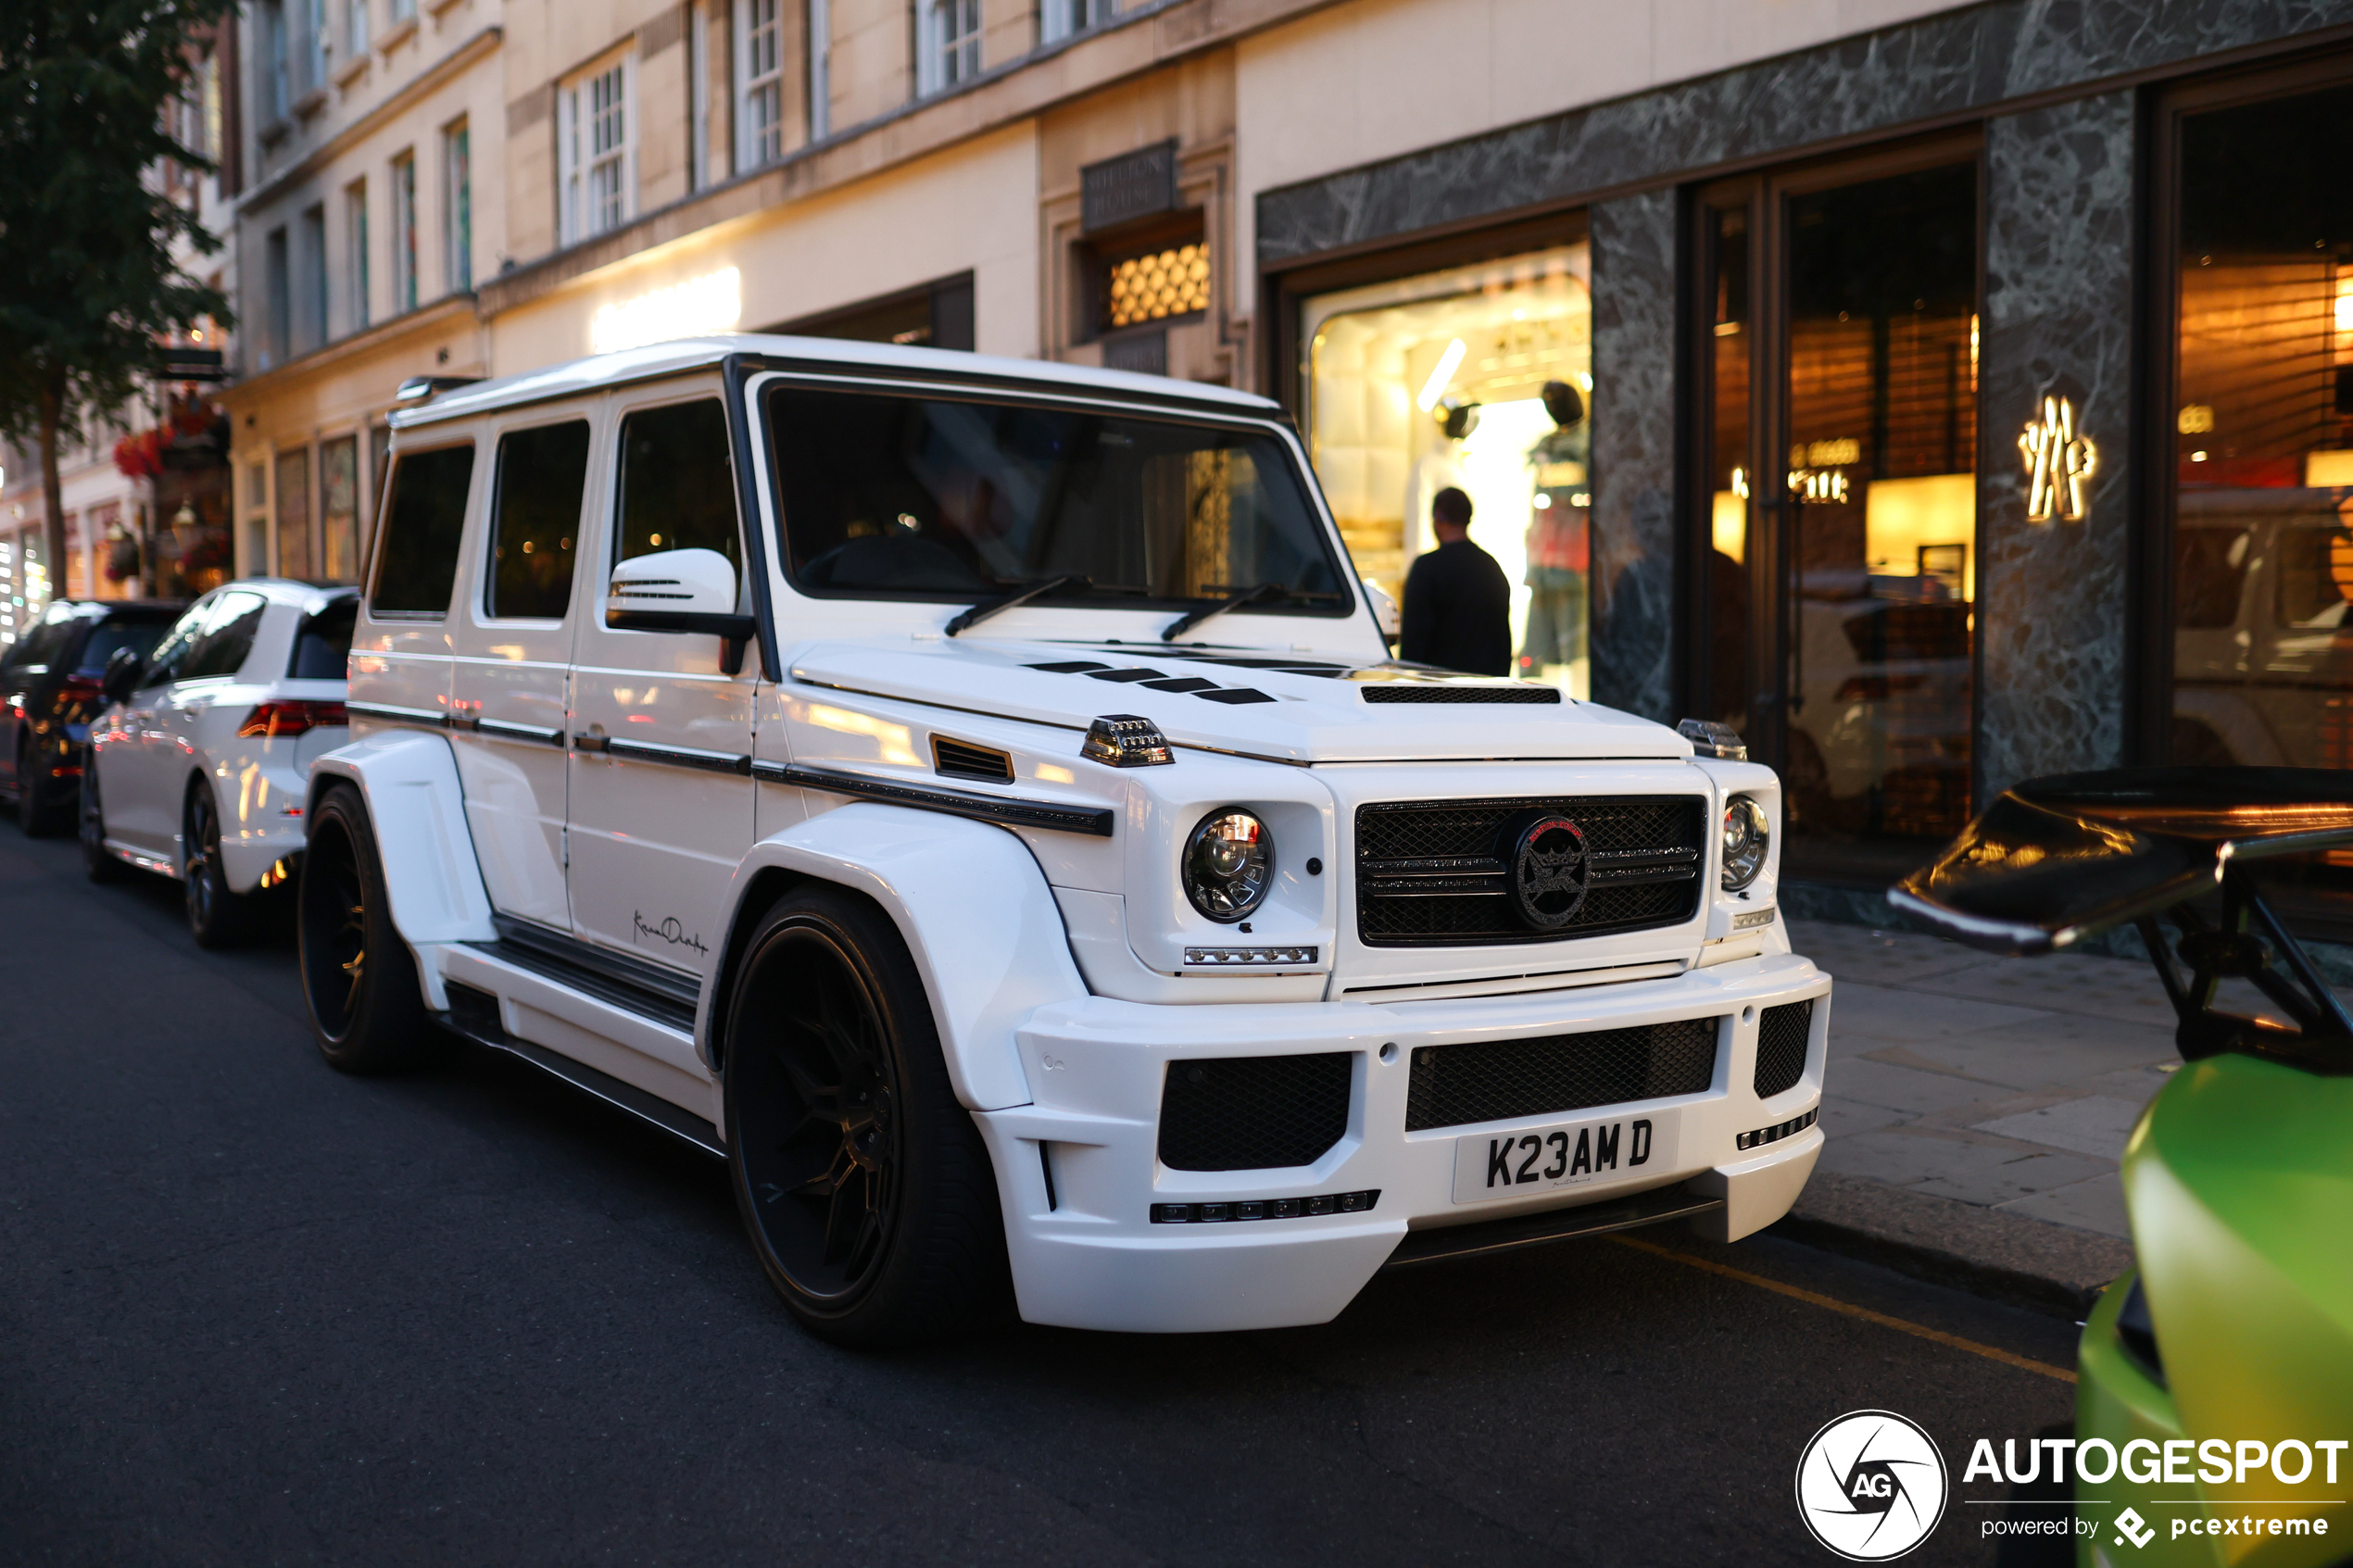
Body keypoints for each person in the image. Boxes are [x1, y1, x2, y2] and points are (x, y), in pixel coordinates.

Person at [1399, 485, 1511, 674]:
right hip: (1488, 691)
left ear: (1439, 517)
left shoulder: (1426, 568)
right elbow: (1502, 641)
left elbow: (1414, 644)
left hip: (1440, 693)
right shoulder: (1491, 568)